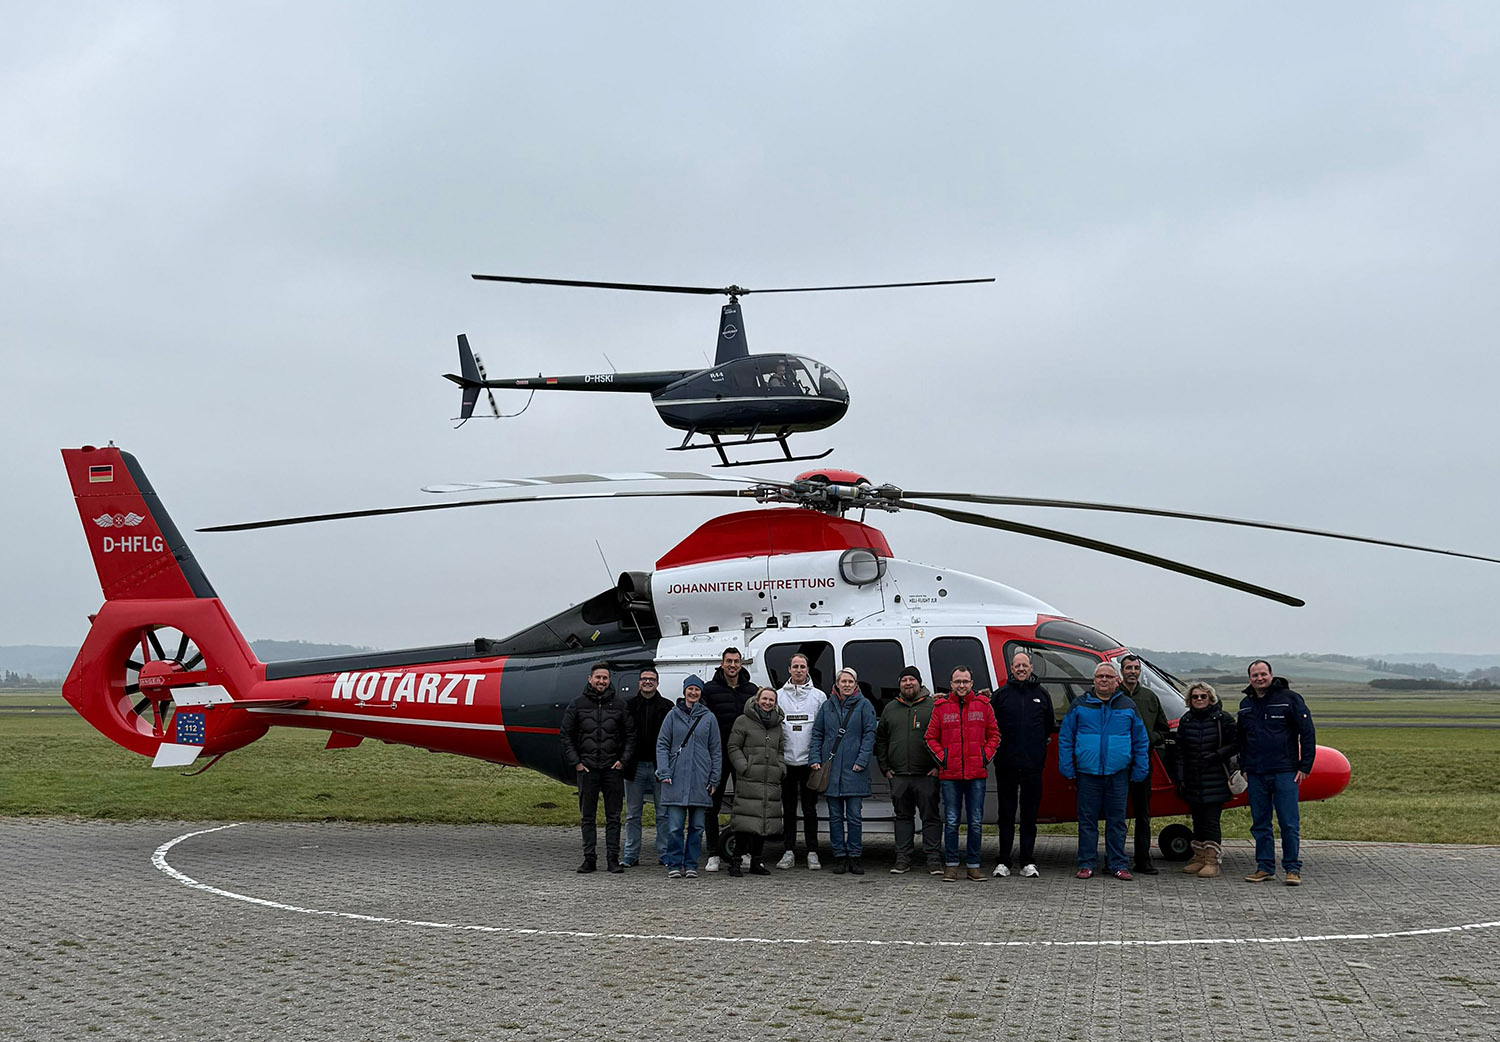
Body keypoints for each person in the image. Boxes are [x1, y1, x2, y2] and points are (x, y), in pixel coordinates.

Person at [1057, 661, 1149, 881]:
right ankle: (1086, 864)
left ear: (1117, 681)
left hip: (1118, 774)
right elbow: (1066, 737)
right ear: (1094, 680)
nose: (1104, 680)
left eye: (1109, 677)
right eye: (1100, 677)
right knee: (1087, 821)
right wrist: (1067, 766)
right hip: (1087, 774)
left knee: (1116, 821)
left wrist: (1140, 768)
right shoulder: (1079, 705)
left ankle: (1118, 864)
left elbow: (1140, 739)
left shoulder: (1127, 706)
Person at [1238, 660, 1316, 886]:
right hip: (1256, 772)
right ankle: (1264, 867)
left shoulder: (1290, 699)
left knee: (1288, 822)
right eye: (1255, 675)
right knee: (1260, 823)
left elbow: (1307, 733)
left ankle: (1292, 868)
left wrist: (1304, 766)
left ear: (1271, 675)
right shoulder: (1246, 704)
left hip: (1285, 771)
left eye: (1263, 674)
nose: (1259, 678)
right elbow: (1241, 739)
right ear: (1249, 678)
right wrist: (1243, 766)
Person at [558, 663, 636, 874]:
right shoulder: (577, 704)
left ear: (609, 681)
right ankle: (589, 858)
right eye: (598, 677)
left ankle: (612, 859)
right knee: (587, 817)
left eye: (605, 678)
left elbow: (630, 735)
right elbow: (566, 735)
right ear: (590, 679)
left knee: (613, 817)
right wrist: (577, 761)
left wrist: (623, 760)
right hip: (587, 769)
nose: (601, 681)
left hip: (612, 768)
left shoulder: (619, 705)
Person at [924, 665, 1000, 882]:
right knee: (951, 820)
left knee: (975, 822)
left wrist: (984, 756)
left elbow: (994, 734)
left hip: (976, 774)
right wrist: (944, 759)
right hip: (950, 775)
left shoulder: (983, 706)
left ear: (972, 683)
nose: (961, 685)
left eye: (965, 681)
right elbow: (930, 738)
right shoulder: (941, 707)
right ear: (951, 684)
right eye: (957, 681)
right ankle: (951, 865)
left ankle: (973, 865)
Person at [990, 650, 1056, 878]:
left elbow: (1048, 726)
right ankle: (1003, 862)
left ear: (1030, 668)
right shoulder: (1000, 696)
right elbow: (992, 729)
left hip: (1033, 766)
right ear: (1011, 668)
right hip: (1006, 765)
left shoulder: (1042, 695)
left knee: (1029, 815)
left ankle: (1027, 861)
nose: (1021, 669)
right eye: (1017, 666)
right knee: (1006, 815)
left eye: (1024, 666)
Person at [810, 666, 878, 875]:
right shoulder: (827, 706)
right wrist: (815, 758)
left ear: (855, 684)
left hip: (854, 769)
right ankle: (839, 856)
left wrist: (862, 760)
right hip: (831, 770)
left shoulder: (865, 705)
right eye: (843, 681)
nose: (846, 685)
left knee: (855, 817)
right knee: (835, 817)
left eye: (850, 681)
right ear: (837, 684)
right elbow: (817, 733)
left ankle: (855, 856)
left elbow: (869, 734)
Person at [874, 665, 941, 875]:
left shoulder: (933, 706)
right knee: (902, 818)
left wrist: (938, 767)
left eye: (912, 680)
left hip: (927, 775)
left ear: (919, 682)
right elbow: (881, 739)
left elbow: (944, 738)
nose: (908, 683)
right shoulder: (890, 708)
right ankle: (903, 859)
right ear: (899, 684)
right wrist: (885, 768)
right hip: (899, 776)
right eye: (904, 680)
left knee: (931, 818)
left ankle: (934, 860)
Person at [655, 675, 722, 879]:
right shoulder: (672, 716)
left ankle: (691, 864)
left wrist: (714, 778)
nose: (693, 693)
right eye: (690, 689)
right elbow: (662, 744)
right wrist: (664, 771)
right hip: (675, 777)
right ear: (684, 691)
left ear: (701, 693)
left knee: (697, 826)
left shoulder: (709, 717)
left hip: (700, 779)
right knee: (675, 827)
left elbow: (716, 749)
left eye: (697, 690)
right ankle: (674, 863)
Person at [1173, 681, 1238, 879]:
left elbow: (1236, 743)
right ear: (1189, 700)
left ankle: (1212, 861)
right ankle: (1199, 858)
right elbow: (1180, 751)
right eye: (1195, 697)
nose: (1199, 699)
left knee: (1211, 820)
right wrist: (1181, 777)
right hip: (1193, 777)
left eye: (1203, 696)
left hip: (1215, 776)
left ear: (1211, 697)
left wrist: (1217, 755)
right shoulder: (1186, 720)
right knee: (1198, 819)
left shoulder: (1223, 719)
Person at [702, 647, 755, 872]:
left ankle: (743, 852)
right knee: (711, 805)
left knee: (744, 806)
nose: (732, 665)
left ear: (741, 664)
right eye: (729, 661)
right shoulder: (709, 690)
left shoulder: (751, 690)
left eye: (736, 661)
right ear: (722, 664)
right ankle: (713, 853)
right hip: (717, 756)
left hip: (742, 756)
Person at [726, 686, 786, 877]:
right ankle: (735, 861)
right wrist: (744, 767)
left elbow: (781, 750)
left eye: (771, 700)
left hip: (770, 780)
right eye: (765, 699)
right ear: (757, 700)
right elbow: (733, 747)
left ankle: (756, 861)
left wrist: (781, 768)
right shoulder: (743, 721)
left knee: (763, 824)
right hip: (750, 778)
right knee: (745, 822)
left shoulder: (777, 725)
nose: (768, 703)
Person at [776, 653, 828, 870]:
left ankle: (812, 852)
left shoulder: (819, 697)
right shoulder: (778, 696)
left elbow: (823, 730)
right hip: (787, 763)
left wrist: (818, 759)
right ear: (789, 669)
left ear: (807, 669)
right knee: (788, 810)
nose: (799, 670)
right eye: (795, 666)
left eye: (802, 666)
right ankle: (788, 851)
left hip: (810, 763)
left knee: (810, 810)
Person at [1118, 654, 1169, 875]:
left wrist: (1151, 739)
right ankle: (1116, 858)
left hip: (1142, 762)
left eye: (1136, 668)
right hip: (1117, 763)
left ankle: (1143, 860)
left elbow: (1163, 727)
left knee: (1143, 814)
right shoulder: (1113, 696)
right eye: (1128, 667)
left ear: (1140, 672)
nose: (1132, 671)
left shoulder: (1150, 697)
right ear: (1121, 671)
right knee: (1116, 813)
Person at [621, 665, 673, 868]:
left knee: (663, 813)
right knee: (633, 814)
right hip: (634, 767)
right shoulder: (628, 706)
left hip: (659, 767)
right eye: (644, 679)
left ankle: (665, 853)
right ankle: (630, 855)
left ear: (657, 683)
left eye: (651, 679)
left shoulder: (667, 706)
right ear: (639, 682)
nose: (647, 682)